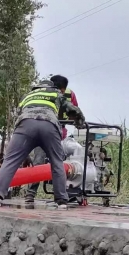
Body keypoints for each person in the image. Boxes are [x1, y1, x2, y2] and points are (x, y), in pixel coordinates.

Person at [0, 78, 85, 209]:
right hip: (49, 126)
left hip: (25, 126)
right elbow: (73, 110)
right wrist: (79, 123)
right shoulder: (55, 93)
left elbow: (18, 118)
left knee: (10, 161)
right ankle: (61, 201)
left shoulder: (27, 96)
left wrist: (24, 155)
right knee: (57, 162)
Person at [24, 75, 79, 203]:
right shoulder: (48, 94)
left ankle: (65, 193)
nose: (62, 93)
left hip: (59, 133)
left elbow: (74, 111)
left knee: (59, 163)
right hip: (43, 131)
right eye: (61, 90)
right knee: (40, 161)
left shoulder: (70, 94)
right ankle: (31, 193)